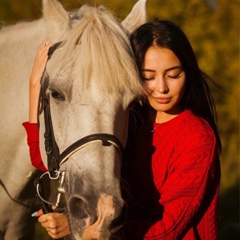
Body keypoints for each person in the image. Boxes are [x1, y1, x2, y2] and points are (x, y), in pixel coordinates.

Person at [23, 18, 221, 240]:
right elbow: (47, 160)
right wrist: (35, 86)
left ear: (188, 73)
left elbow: (169, 228)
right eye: (148, 77)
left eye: (173, 75)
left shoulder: (198, 138)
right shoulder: (130, 120)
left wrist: (79, 225)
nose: (161, 87)